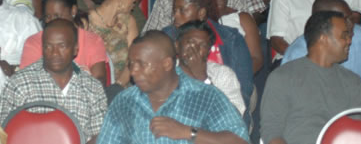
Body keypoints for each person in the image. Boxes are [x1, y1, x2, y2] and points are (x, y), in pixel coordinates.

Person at [97, 30, 249, 144]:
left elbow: (240, 141)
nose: (133, 71)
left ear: (167, 64)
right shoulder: (125, 102)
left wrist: (188, 132)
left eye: (142, 64)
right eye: (131, 64)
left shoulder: (206, 96)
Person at [0, 19, 107, 143]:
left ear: (75, 49)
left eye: (62, 46)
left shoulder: (92, 87)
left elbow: (101, 136)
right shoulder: (19, 84)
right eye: (48, 46)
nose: (54, 53)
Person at [261, 11, 361, 144]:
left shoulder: (352, 81)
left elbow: (357, 130)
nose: (349, 41)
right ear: (323, 38)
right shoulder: (283, 77)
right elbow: (271, 132)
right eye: (344, 36)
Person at [164, 0, 254, 112]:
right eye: (175, 10)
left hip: (223, 110)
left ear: (201, 13)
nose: (175, 16)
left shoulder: (231, 39)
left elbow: (243, 91)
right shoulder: (165, 38)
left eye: (182, 10)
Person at [20, 0, 108, 85]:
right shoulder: (34, 42)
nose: (52, 21)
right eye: (48, 16)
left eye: (57, 16)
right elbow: (27, 82)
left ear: (73, 11)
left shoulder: (92, 41)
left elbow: (99, 80)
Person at [197, 0, 263, 74]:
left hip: (239, 80)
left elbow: (256, 59)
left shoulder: (243, 18)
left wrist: (233, 80)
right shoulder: (195, 20)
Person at [282, 0, 361, 78]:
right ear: (321, 22)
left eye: (351, 18)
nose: (351, 24)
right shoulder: (298, 54)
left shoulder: (359, 36)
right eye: (344, 20)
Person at [176, 21, 246, 115]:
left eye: (202, 45)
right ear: (176, 45)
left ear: (208, 51)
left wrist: (204, 79)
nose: (195, 49)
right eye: (190, 42)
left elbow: (235, 117)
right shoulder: (164, 70)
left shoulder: (222, 74)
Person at [87, 0, 139, 88]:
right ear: (120, 0)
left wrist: (117, 87)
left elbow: (134, 59)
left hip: (123, 87)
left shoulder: (128, 21)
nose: (135, 0)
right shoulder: (86, 23)